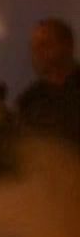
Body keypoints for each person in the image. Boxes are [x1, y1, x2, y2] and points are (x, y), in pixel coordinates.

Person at [16, 17, 80, 149]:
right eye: (33, 48)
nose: (37, 53)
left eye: (45, 45)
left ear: (68, 46)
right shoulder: (29, 100)